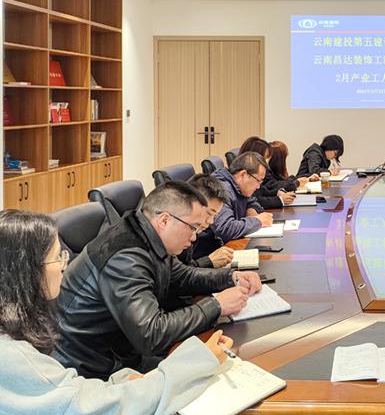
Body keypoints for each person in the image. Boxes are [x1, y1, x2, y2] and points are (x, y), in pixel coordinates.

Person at [0, 209, 234, 414]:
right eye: (57, 257)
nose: (64, 265)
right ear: (24, 271)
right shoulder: (11, 355)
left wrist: (125, 381)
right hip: (92, 365)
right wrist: (199, 361)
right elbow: (90, 407)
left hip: (101, 370)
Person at [54, 181, 262, 380]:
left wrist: (230, 277)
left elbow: (182, 275)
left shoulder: (144, 234)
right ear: (164, 220)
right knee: (211, 372)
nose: (194, 237)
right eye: (193, 228)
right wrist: (216, 305)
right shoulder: (126, 257)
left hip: (124, 349)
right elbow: (151, 334)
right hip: (96, 369)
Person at [211, 151, 274, 242]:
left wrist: (251, 208)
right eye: (258, 180)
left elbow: (252, 201)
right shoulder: (221, 189)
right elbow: (225, 228)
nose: (258, 186)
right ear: (243, 175)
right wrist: (257, 221)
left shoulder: (240, 187)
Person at [178, 173, 234, 267]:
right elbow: (178, 274)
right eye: (209, 213)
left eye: (215, 215)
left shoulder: (193, 230)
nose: (211, 221)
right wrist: (208, 262)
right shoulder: (177, 232)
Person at [239, 136, 295, 208]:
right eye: (264, 158)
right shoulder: (246, 175)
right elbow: (254, 200)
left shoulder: (256, 172)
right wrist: (279, 200)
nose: (266, 162)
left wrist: (277, 193)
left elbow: (262, 191)